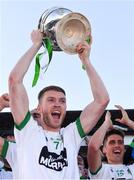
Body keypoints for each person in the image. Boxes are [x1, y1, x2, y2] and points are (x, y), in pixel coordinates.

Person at [8, 29, 109, 179]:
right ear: (39, 108)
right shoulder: (28, 131)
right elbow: (14, 81)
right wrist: (36, 45)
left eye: (62, 101)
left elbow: (102, 100)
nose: (57, 104)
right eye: (51, 100)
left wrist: (86, 61)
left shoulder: (71, 135)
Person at [88, 106, 134, 179]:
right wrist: (106, 123)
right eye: (112, 142)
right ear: (104, 149)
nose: (117, 145)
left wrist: (129, 122)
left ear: (124, 148)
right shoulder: (101, 170)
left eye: (120, 142)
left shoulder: (132, 169)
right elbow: (93, 147)